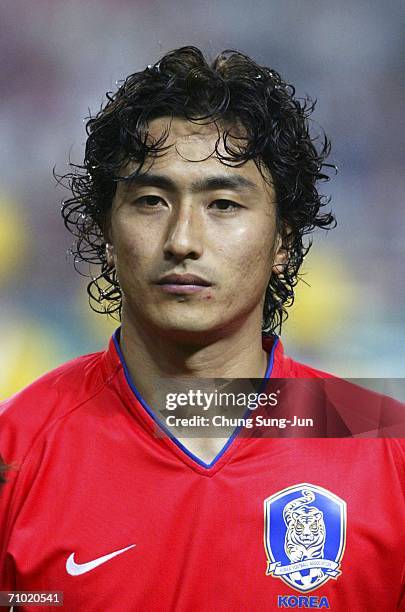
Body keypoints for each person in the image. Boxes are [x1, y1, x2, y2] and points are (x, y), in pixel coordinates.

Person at [0, 46, 404, 611]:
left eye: (223, 204)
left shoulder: (388, 446)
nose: (182, 239)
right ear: (107, 236)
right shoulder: (13, 451)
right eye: (150, 200)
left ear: (283, 241)